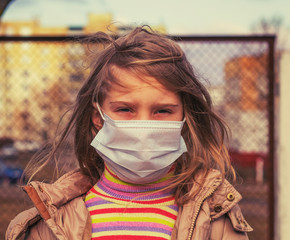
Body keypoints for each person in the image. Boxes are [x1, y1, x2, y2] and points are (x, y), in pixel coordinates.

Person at [6, 26, 252, 240]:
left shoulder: (216, 217)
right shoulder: (51, 223)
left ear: (185, 119)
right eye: (125, 109)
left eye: (163, 111)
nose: (143, 126)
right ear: (98, 118)